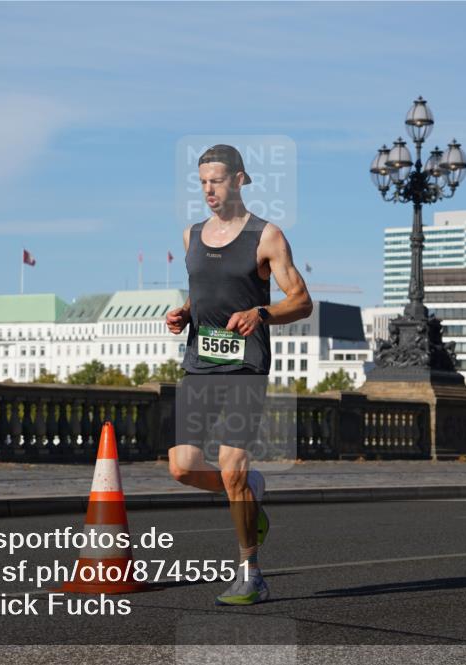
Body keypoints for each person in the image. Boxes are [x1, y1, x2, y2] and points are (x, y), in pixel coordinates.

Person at [165, 144, 313, 606]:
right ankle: (249, 494)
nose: (210, 190)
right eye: (203, 182)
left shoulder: (266, 236)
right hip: (198, 365)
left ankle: (251, 572)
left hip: (245, 367)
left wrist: (261, 313)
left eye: (218, 180)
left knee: (231, 467)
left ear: (241, 180)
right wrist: (185, 313)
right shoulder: (192, 235)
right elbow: (205, 292)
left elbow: (302, 300)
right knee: (183, 467)